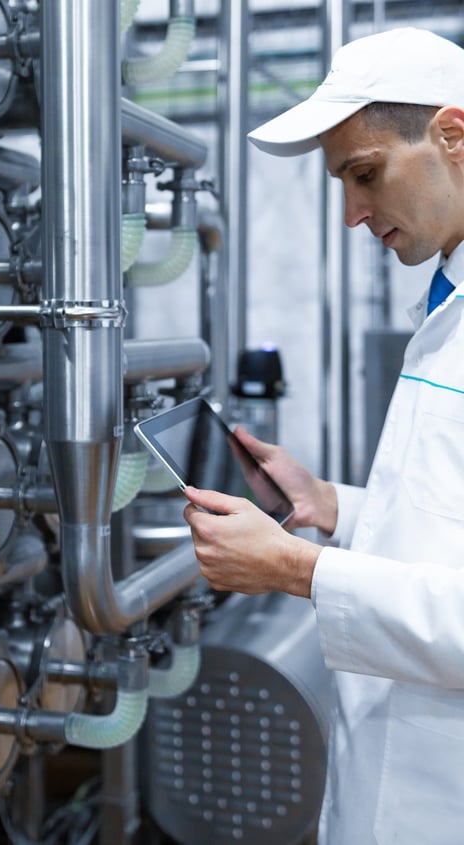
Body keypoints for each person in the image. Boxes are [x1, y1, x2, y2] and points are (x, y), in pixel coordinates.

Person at [182, 26, 464, 845]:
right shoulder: (447, 300)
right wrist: (330, 503)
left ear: (453, 136)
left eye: (365, 174)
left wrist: (300, 571)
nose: (351, 214)